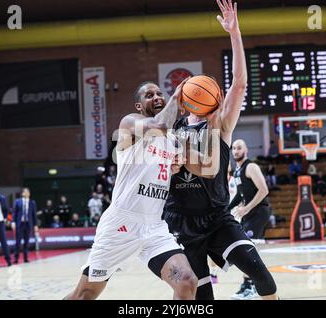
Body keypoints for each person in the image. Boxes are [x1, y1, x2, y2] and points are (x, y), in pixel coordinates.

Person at [163, 0, 277, 300]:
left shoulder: (221, 126)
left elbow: (239, 84)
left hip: (217, 216)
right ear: (188, 99)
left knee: (260, 272)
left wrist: (234, 32)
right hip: (180, 222)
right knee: (202, 297)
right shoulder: (171, 132)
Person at [64, 76, 215, 300]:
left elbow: (208, 168)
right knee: (85, 294)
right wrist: (176, 95)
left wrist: (213, 119)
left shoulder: (173, 141)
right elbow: (160, 126)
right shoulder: (130, 123)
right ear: (138, 105)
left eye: (159, 94)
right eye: (149, 95)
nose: (156, 97)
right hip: (120, 224)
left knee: (186, 281)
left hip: (154, 226)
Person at [227, 139, 272, 300]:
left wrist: (247, 208)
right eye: (234, 148)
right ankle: (248, 284)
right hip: (249, 213)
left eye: (239, 148)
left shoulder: (251, 166)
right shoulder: (238, 170)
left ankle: (252, 285)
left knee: (246, 250)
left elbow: (264, 190)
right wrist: (224, 209)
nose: (236, 151)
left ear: (245, 150)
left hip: (259, 211)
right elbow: (239, 195)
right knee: (244, 249)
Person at [12, 188, 38, 263]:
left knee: (26, 242)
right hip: (20, 224)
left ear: (29, 193)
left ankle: (25, 258)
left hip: (28, 224)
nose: (25, 193)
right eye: (24, 192)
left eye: (26, 192)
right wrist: (13, 222)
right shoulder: (18, 201)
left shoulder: (32, 202)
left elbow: (34, 215)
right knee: (18, 241)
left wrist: (35, 225)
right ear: (22, 193)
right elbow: (14, 212)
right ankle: (16, 258)